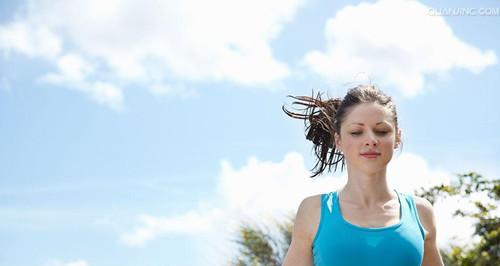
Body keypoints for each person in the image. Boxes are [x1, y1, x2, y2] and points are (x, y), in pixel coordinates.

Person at [281, 85, 444, 266]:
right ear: (339, 141)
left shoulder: (421, 213)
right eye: (356, 132)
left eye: (382, 131)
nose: (371, 140)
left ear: (397, 137)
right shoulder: (313, 211)